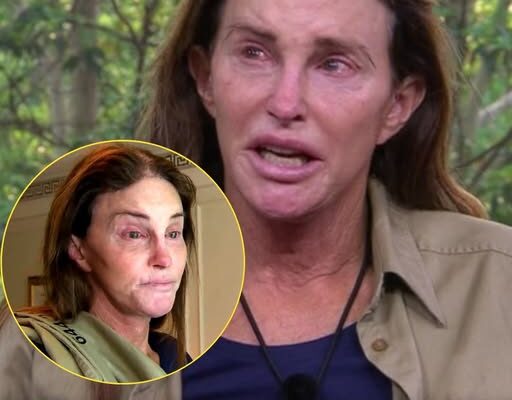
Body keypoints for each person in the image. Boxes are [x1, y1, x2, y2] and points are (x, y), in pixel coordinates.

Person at [139, 0, 512, 399]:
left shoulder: (496, 285)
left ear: (397, 105)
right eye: (254, 53)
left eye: (334, 64)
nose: (285, 104)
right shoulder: (96, 302)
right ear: (205, 78)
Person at [5, 143, 196, 383]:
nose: (164, 258)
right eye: (134, 234)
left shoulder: (175, 357)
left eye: (173, 233)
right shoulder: (29, 358)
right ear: (79, 250)